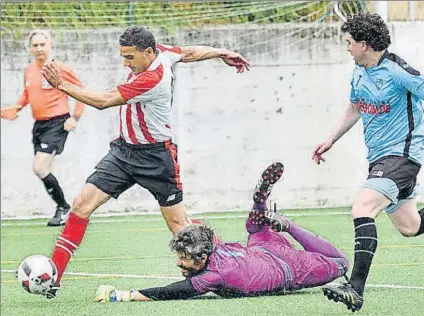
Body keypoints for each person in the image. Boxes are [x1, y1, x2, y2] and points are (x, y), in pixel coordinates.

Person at [39, 26, 249, 298]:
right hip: (123, 153)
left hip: (156, 158)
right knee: (81, 205)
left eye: (129, 57)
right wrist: (221, 52)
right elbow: (189, 52)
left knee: (179, 225)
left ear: (148, 53)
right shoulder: (161, 53)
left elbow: (103, 101)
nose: (125, 63)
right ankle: (53, 277)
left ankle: (234, 265)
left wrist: (61, 85)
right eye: (123, 56)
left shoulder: (153, 77)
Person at [93, 162, 349, 302]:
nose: (178, 261)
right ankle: (267, 209)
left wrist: (125, 295)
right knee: (256, 227)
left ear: (203, 257)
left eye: (183, 257)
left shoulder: (214, 275)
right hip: (261, 250)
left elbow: (174, 291)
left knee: (342, 263)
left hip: (290, 270)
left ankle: (285, 223)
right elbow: (199, 233)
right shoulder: (211, 246)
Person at [311, 13, 424, 312]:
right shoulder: (358, 71)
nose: (346, 48)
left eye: (348, 43)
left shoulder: (399, 72)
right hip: (378, 158)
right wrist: (330, 139)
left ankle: (355, 288)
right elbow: (354, 107)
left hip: (403, 156)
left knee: (363, 207)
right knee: (410, 227)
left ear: (364, 44)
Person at [1, 29, 85, 227]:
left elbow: (80, 91)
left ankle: (64, 207)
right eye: (35, 45)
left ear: (50, 45)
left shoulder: (59, 68)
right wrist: (16, 108)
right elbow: (27, 93)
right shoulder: (29, 70)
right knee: (45, 169)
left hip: (57, 123)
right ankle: (63, 208)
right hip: (39, 125)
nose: (39, 49)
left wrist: (75, 117)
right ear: (30, 48)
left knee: (39, 167)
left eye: (42, 44)